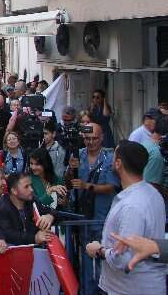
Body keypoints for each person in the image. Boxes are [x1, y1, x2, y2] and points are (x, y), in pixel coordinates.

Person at [86, 141, 166, 295]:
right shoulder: (152, 193)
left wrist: (99, 251)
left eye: (114, 156)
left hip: (129, 289)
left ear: (118, 163)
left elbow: (124, 258)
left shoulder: (132, 205)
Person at [65, 123, 119, 295]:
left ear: (102, 137)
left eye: (95, 138)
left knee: (105, 259)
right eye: (87, 138)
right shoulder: (78, 155)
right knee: (86, 261)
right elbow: (68, 183)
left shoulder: (109, 157)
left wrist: (86, 186)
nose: (91, 142)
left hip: (102, 217)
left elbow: (112, 187)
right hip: (82, 217)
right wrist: (70, 170)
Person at [0, 172, 56, 252]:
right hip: (12, 254)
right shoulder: (0, 208)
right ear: (14, 191)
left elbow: (55, 213)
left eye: (31, 185)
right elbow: (8, 234)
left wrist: (50, 216)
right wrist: (34, 238)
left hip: (35, 252)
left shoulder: (32, 200)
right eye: (26, 187)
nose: (31, 189)